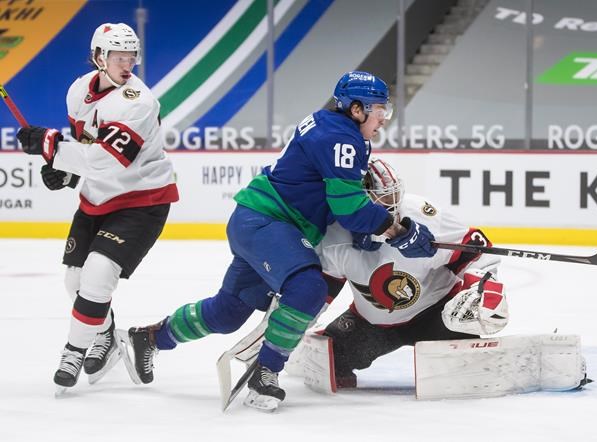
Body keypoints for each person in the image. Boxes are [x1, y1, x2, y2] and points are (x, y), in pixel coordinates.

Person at [128, 71, 438, 412]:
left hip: (259, 221)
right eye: (379, 110)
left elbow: (334, 200)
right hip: (269, 222)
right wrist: (399, 231)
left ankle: (151, 337)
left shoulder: (338, 129)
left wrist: (369, 230)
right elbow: (349, 208)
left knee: (228, 312)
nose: (384, 118)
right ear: (356, 109)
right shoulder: (342, 139)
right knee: (308, 288)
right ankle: (266, 372)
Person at [16, 23, 179, 393]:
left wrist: (50, 146)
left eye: (131, 57)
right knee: (74, 282)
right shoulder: (78, 91)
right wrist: (67, 173)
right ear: (98, 57)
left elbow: (106, 160)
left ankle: (73, 352)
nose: (127, 64)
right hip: (98, 198)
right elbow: (87, 146)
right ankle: (105, 338)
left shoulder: (138, 101)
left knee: (98, 274)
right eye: (118, 57)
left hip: (142, 200)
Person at [315, 157, 508, 388]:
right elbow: (320, 290)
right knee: (329, 358)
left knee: (467, 368)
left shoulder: (422, 214)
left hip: (437, 314)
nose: (393, 206)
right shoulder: (334, 236)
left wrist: (481, 286)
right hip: (372, 326)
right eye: (383, 198)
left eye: (394, 195)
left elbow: (475, 252)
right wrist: (294, 319)